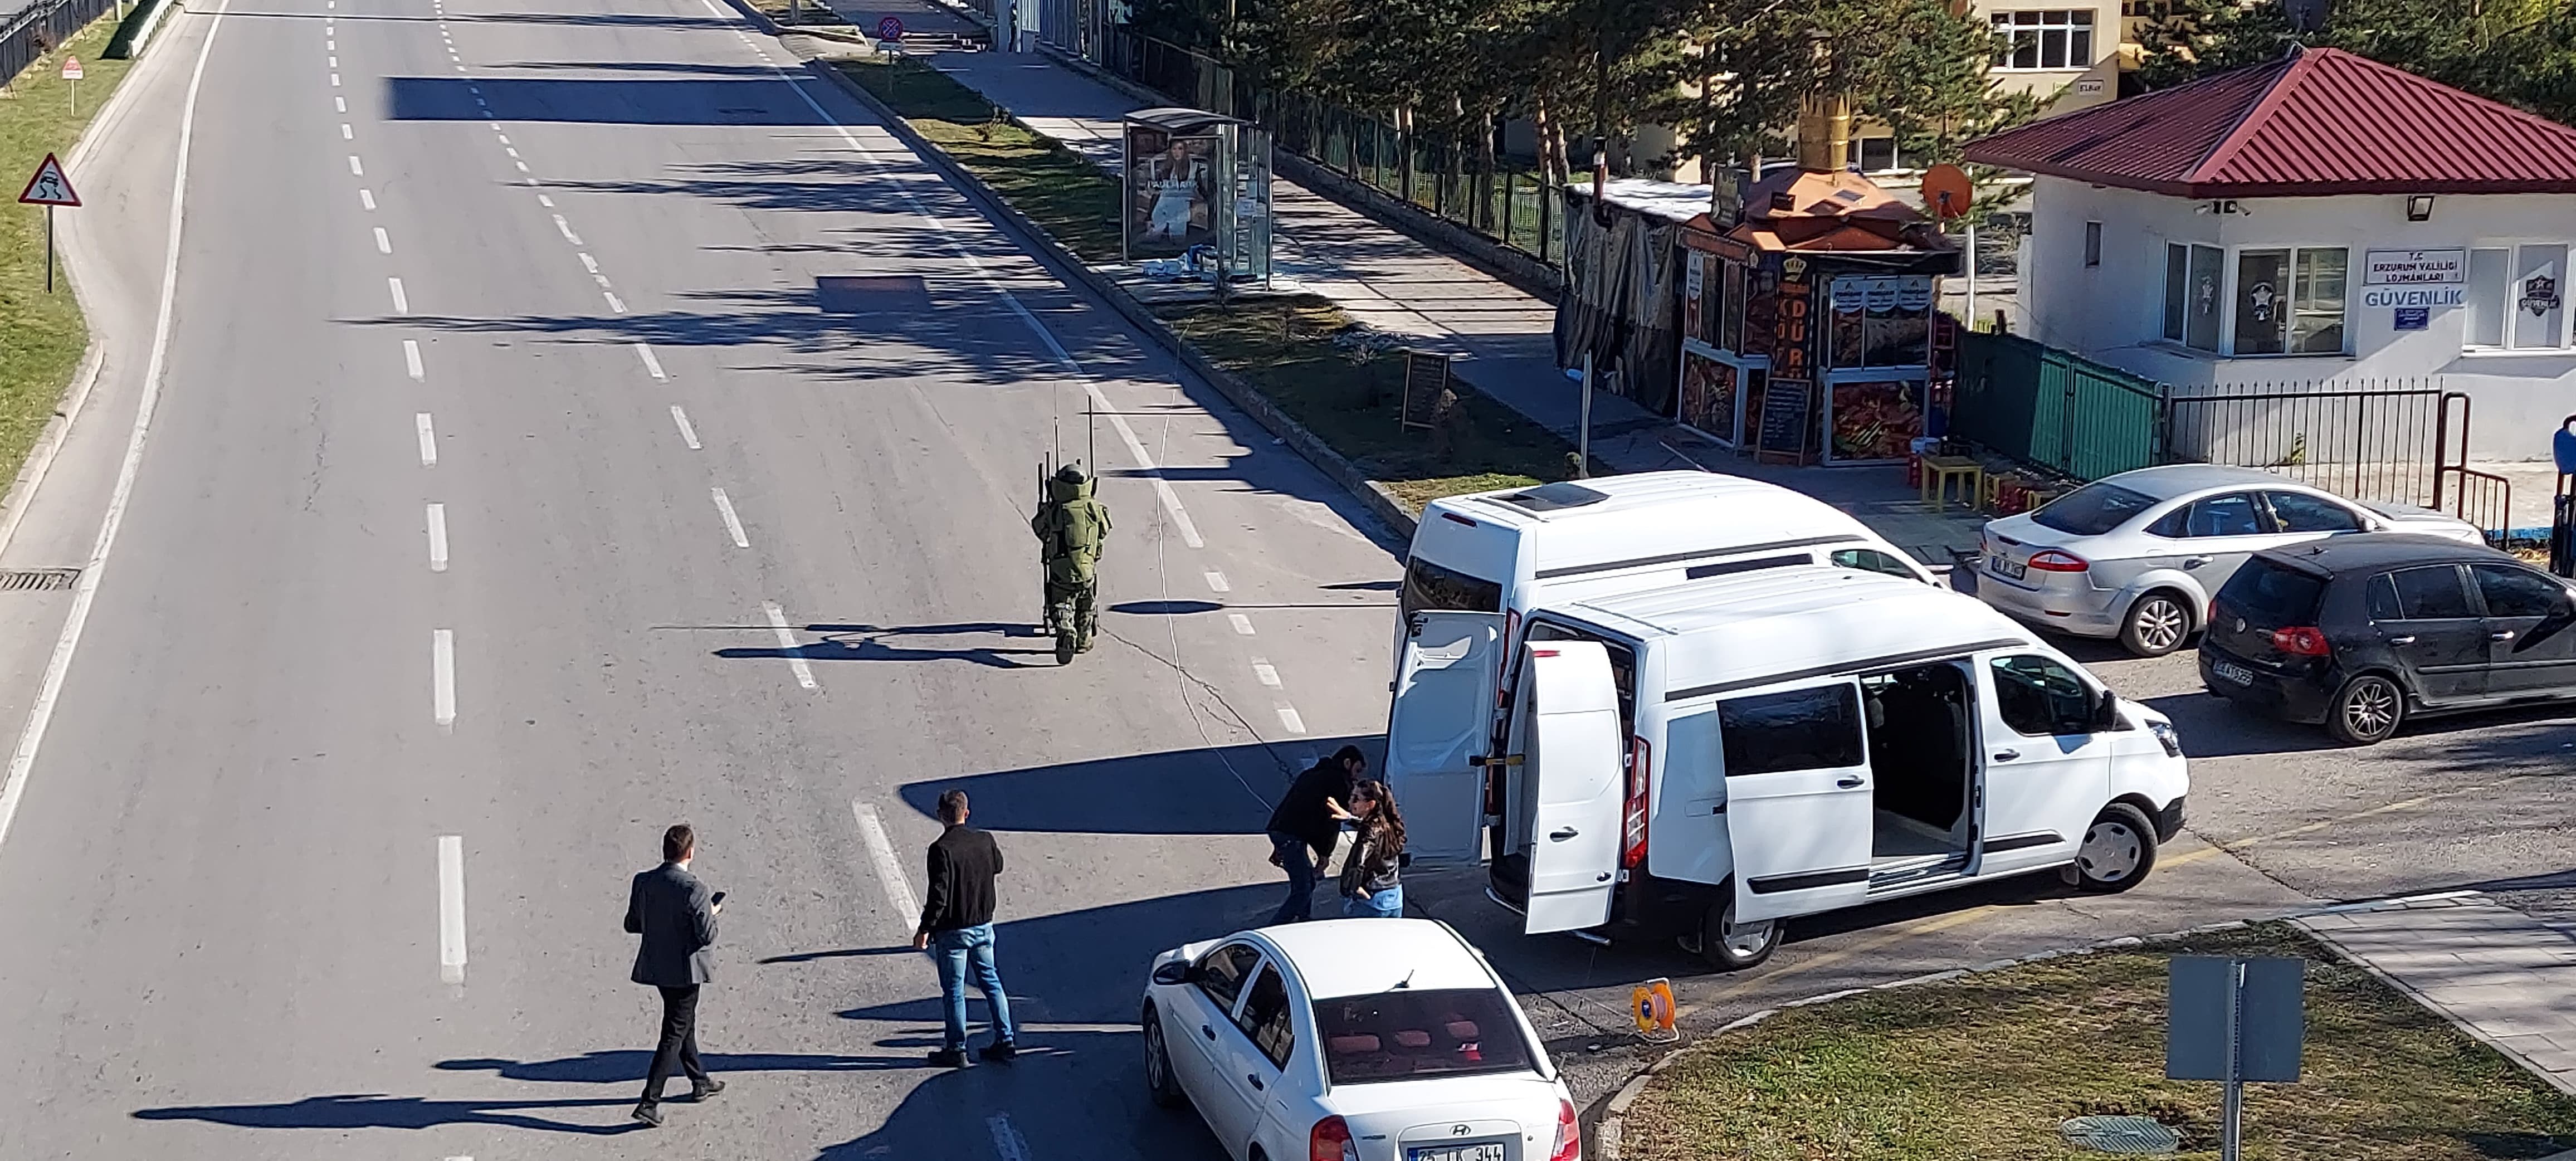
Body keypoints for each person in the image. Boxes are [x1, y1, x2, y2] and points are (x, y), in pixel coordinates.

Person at [625, 824, 724, 1128]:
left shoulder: (643, 881)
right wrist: (711, 912)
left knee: (683, 1025)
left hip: (657, 968)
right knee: (674, 1032)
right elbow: (707, 935)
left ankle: (700, 1081)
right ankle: (649, 1101)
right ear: (690, 852)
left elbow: (633, 924)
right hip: (685, 971)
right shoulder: (694, 890)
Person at [912, 789, 1016, 1067]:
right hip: (984, 926)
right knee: (991, 982)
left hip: (954, 932)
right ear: (966, 813)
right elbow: (998, 865)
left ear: (940, 816)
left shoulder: (940, 850)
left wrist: (924, 929)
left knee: (955, 991)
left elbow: (939, 896)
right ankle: (1006, 1040)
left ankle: (957, 1048)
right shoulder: (985, 840)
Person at [1263, 745, 1366, 925]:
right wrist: (1325, 855)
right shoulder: (1338, 782)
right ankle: (1274, 928)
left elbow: (1290, 808)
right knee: (1303, 889)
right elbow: (1332, 822)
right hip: (1291, 838)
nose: (1356, 777)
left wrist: (1278, 844)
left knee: (1307, 882)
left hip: (1282, 832)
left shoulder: (1311, 774)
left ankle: (1304, 920)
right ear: (1347, 763)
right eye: (1356, 770)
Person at [1031, 464, 1112, 653]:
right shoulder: (1095, 508)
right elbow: (1105, 530)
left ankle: (1065, 629)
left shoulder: (1056, 510)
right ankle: (1084, 640)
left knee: (1060, 602)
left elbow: (1040, 530)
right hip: (1087, 571)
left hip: (1061, 570)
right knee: (1086, 605)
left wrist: (1044, 509)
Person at [1331, 780, 1406, 918]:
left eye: (1356, 799)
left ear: (1370, 804)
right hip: (1394, 897)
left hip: (1371, 901)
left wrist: (1352, 887)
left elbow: (1359, 861)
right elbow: (1372, 827)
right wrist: (1349, 817)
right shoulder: (1391, 825)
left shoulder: (1369, 831)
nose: (1350, 802)